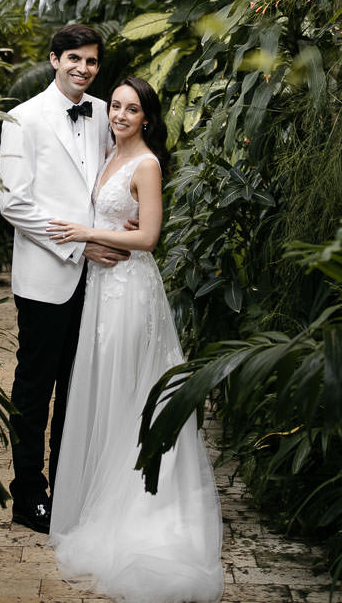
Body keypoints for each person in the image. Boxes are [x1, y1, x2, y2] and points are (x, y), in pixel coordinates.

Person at [46, 76, 224, 603]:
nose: (121, 115)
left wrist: (85, 235)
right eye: (116, 106)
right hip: (102, 287)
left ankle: (137, 508)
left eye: (132, 109)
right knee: (105, 387)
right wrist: (88, 241)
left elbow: (148, 237)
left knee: (130, 388)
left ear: (148, 117)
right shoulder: (107, 155)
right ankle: (97, 500)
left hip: (130, 292)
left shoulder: (145, 164)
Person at [0, 23, 126, 534]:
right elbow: (14, 203)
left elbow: (112, 180)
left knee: (78, 390)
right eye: (74, 58)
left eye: (92, 61)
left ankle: (69, 492)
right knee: (34, 393)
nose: (83, 68)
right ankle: (28, 497)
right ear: (54, 59)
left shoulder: (103, 114)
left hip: (97, 280)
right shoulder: (22, 118)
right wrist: (77, 242)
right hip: (47, 276)